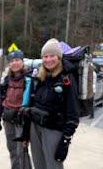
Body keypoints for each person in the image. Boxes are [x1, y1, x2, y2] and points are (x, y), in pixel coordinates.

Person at [29, 38, 79, 169]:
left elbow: (73, 112)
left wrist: (65, 140)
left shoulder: (66, 78)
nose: (48, 59)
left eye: (52, 56)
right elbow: (33, 101)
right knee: (38, 163)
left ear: (59, 57)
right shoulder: (41, 76)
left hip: (54, 130)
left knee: (53, 165)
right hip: (36, 126)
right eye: (45, 56)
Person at [0, 49, 32, 169]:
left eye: (17, 60)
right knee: (12, 149)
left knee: (21, 151)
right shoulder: (6, 80)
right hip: (7, 118)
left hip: (21, 120)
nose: (14, 63)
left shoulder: (28, 79)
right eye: (12, 61)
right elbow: (1, 100)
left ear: (22, 62)